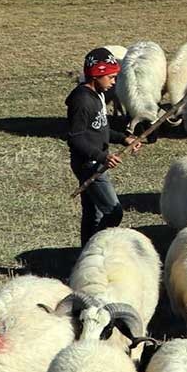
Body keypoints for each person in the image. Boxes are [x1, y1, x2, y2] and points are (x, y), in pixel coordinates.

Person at [68, 49, 140, 244]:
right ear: (96, 74)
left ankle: (85, 253)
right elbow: (75, 138)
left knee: (93, 212)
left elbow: (101, 129)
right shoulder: (82, 101)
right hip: (88, 164)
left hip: (96, 161)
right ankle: (97, 246)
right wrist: (102, 157)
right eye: (111, 77)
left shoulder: (99, 95)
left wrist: (124, 138)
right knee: (114, 211)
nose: (114, 82)